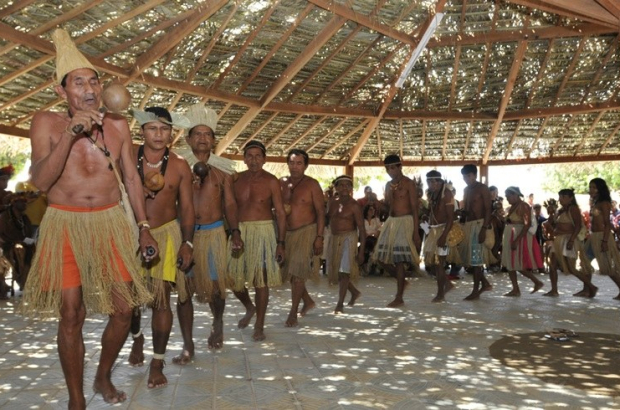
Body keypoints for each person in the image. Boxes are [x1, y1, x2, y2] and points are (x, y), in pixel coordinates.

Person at [21, 29, 155, 408]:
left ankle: (101, 376)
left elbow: (132, 178)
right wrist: (72, 132)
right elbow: (41, 182)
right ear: (62, 91)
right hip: (65, 222)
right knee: (70, 314)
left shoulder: (117, 125)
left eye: (93, 79)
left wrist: (144, 228)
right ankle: (76, 398)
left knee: (124, 310)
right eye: (78, 82)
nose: (90, 88)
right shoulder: (45, 123)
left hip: (111, 223)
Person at [125, 107, 194, 389]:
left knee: (161, 299)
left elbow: (188, 207)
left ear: (171, 133)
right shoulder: (126, 156)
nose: (159, 134)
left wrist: (188, 242)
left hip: (166, 234)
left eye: (164, 129)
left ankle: (157, 362)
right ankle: (137, 337)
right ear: (142, 131)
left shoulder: (179, 165)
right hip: (129, 232)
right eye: (153, 128)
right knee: (127, 301)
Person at [173, 102, 241, 360]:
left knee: (216, 288)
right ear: (188, 138)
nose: (202, 138)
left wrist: (234, 232)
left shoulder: (223, 170)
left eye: (207, 134)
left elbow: (230, 203)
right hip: (184, 236)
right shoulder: (177, 166)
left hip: (213, 233)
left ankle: (218, 321)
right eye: (197, 134)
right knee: (184, 290)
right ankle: (188, 343)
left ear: (213, 139)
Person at [229, 140, 286, 341]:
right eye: (249, 156)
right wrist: (234, 231)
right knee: (233, 279)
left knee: (260, 280)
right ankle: (249, 307)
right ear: (244, 159)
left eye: (257, 156)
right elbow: (231, 207)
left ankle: (260, 325)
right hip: (240, 231)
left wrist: (280, 242)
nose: (253, 160)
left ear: (264, 159)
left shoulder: (271, 181)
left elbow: (280, 212)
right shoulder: (236, 180)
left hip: (263, 232)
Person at [280, 149, 325, 326]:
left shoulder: (312, 185)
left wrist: (319, 236)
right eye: (292, 163)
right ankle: (307, 301)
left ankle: (292, 313)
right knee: (291, 273)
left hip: (306, 232)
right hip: (286, 233)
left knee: (298, 274)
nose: (295, 167)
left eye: (299, 163)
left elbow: (321, 212)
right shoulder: (281, 182)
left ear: (305, 165)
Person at [372, 155, 421, 307]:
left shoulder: (409, 184)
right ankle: (401, 280)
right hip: (391, 222)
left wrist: (416, 232)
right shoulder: (387, 185)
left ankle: (399, 297)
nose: (390, 171)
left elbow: (414, 208)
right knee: (378, 256)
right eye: (387, 168)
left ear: (400, 166)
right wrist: (379, 204)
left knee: (399, 261)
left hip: (405, 222)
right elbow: (388, 207)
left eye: (393, 167)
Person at [327, 175, 365, 313]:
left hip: (349, 238)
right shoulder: (332, 202)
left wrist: (361, 251)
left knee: (344, 272)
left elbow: (361, 228)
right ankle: (354, 292)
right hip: (335, 238)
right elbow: (326, 219)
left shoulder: (354, 205)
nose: (344, 188)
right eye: (341, 185)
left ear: (351, 188)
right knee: (337, 272)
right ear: (336, 187)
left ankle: (340, 304)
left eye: (347, 185)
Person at [548, 189, 596, 297]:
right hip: (559, 239)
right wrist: (552, 213)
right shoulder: (560, 210)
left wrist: (571, 240)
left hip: (569, 239)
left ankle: (591, 286)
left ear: (570, 198)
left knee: (571, 268)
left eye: (564, 197)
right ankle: (554, 290)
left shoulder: (573, 209)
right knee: (552, 264)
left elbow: (578, 226)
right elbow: (552, 224)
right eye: (560, 196)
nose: (561, 199)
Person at [458, 164, 494, 300]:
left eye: (468, 176)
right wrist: (461, 214)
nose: (466, 179)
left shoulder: (482, 188)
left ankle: (475, 291)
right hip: (469, 225)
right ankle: (484, 284)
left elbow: (488, 210)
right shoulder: (466, 190)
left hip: (480, 225)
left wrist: (484, 229)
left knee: (477, 261)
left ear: (475, 175)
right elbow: (467, 210)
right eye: (464, 177)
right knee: (472, 260)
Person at [501, 186, 544, 296]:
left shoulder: (523, 206)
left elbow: (527, 224)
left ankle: (536, 282)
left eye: (508, 196)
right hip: (511, 235)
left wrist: (517, 240)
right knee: (510, 264)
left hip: (517, 236)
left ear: (515, 195)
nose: (507, 199)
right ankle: (515, 288)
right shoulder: (513, 207)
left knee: (517, 264)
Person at [423, 171, 455, 302]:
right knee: (436, 265)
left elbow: (450, 218)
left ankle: (441, 293)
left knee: (439, 264)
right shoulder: (432, 194)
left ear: (439, 181)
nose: (430, 185)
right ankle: (446, 286)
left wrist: (443, 236)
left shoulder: (446, 194)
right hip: (434, 230)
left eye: (432, 182)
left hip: (443, 231)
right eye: (428, 182)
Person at [588, 178, 620, 299]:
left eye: (593, 187)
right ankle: (588, 288)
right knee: (585, 261)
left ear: (600, 189)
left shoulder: (604, 203)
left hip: (602, 236)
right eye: (590, 187)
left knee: (607, 267)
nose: (590, 190)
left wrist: (605, 241)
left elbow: (607, 223)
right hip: (593, 237)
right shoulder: (595, 202)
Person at [362, 203, 382, 274]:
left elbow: (380, 228)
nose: (372, 211)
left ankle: (373, 263)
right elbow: (362, 230)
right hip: (366, 238)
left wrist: (376, 233)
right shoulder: (363, 221)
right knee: (368, 241)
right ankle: (367, 263)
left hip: (374, 238)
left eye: (373, 210)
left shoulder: (376, 220)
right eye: (370, 210)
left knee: (372, 241)